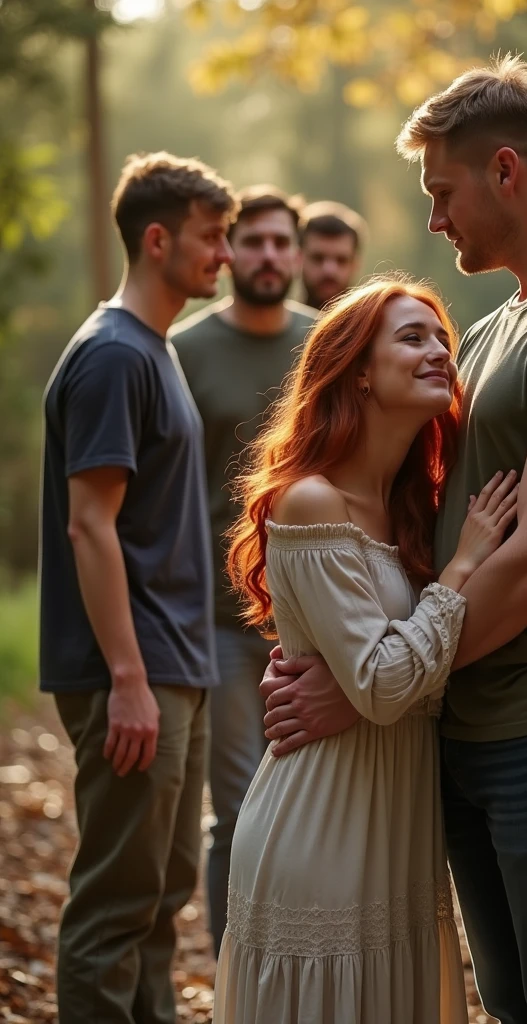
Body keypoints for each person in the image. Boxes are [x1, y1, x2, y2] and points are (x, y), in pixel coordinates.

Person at [258, 56, 527, 1024]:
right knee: (517, 1006)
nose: (435, 219)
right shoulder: (495, 330)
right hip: (473, 727)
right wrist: (351, 655)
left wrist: (377, 689)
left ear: (504, 171)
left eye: (442, 192)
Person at [213, 275, 518, 1023]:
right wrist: (460, 569)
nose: (438, 351)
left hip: (400, 827)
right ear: (356, 370)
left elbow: (409, 679)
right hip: (323, 826)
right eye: (412, 337)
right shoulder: (313, 501)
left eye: (442, 338)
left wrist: (363, 690)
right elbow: (386, 684)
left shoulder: (418, 505)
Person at [39, 151, 236, 1024]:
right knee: (117, 904)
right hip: (137, 668)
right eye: (211, 237)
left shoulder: (151, 351)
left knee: (161, 893)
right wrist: (125, 676)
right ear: (156, 240)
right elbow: (90, 524)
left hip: (175, 665)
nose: (223, 256)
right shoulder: (115, 357)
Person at [172, 185, 317, 955]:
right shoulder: (186, 350)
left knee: (319, 803)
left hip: (324, 621)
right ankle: (237, 971)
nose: (266, 256)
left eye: (279, 243)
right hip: (227, 627)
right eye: (251, 241)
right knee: (239, 807)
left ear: (296, 254)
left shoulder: (328, 341)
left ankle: (303, 960)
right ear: (229, 252)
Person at [300, 199, 367, 309]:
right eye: (318, 258)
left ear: (355, 264)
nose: (329, 270)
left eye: (341, 260)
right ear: (298, 258)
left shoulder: (375, 325)